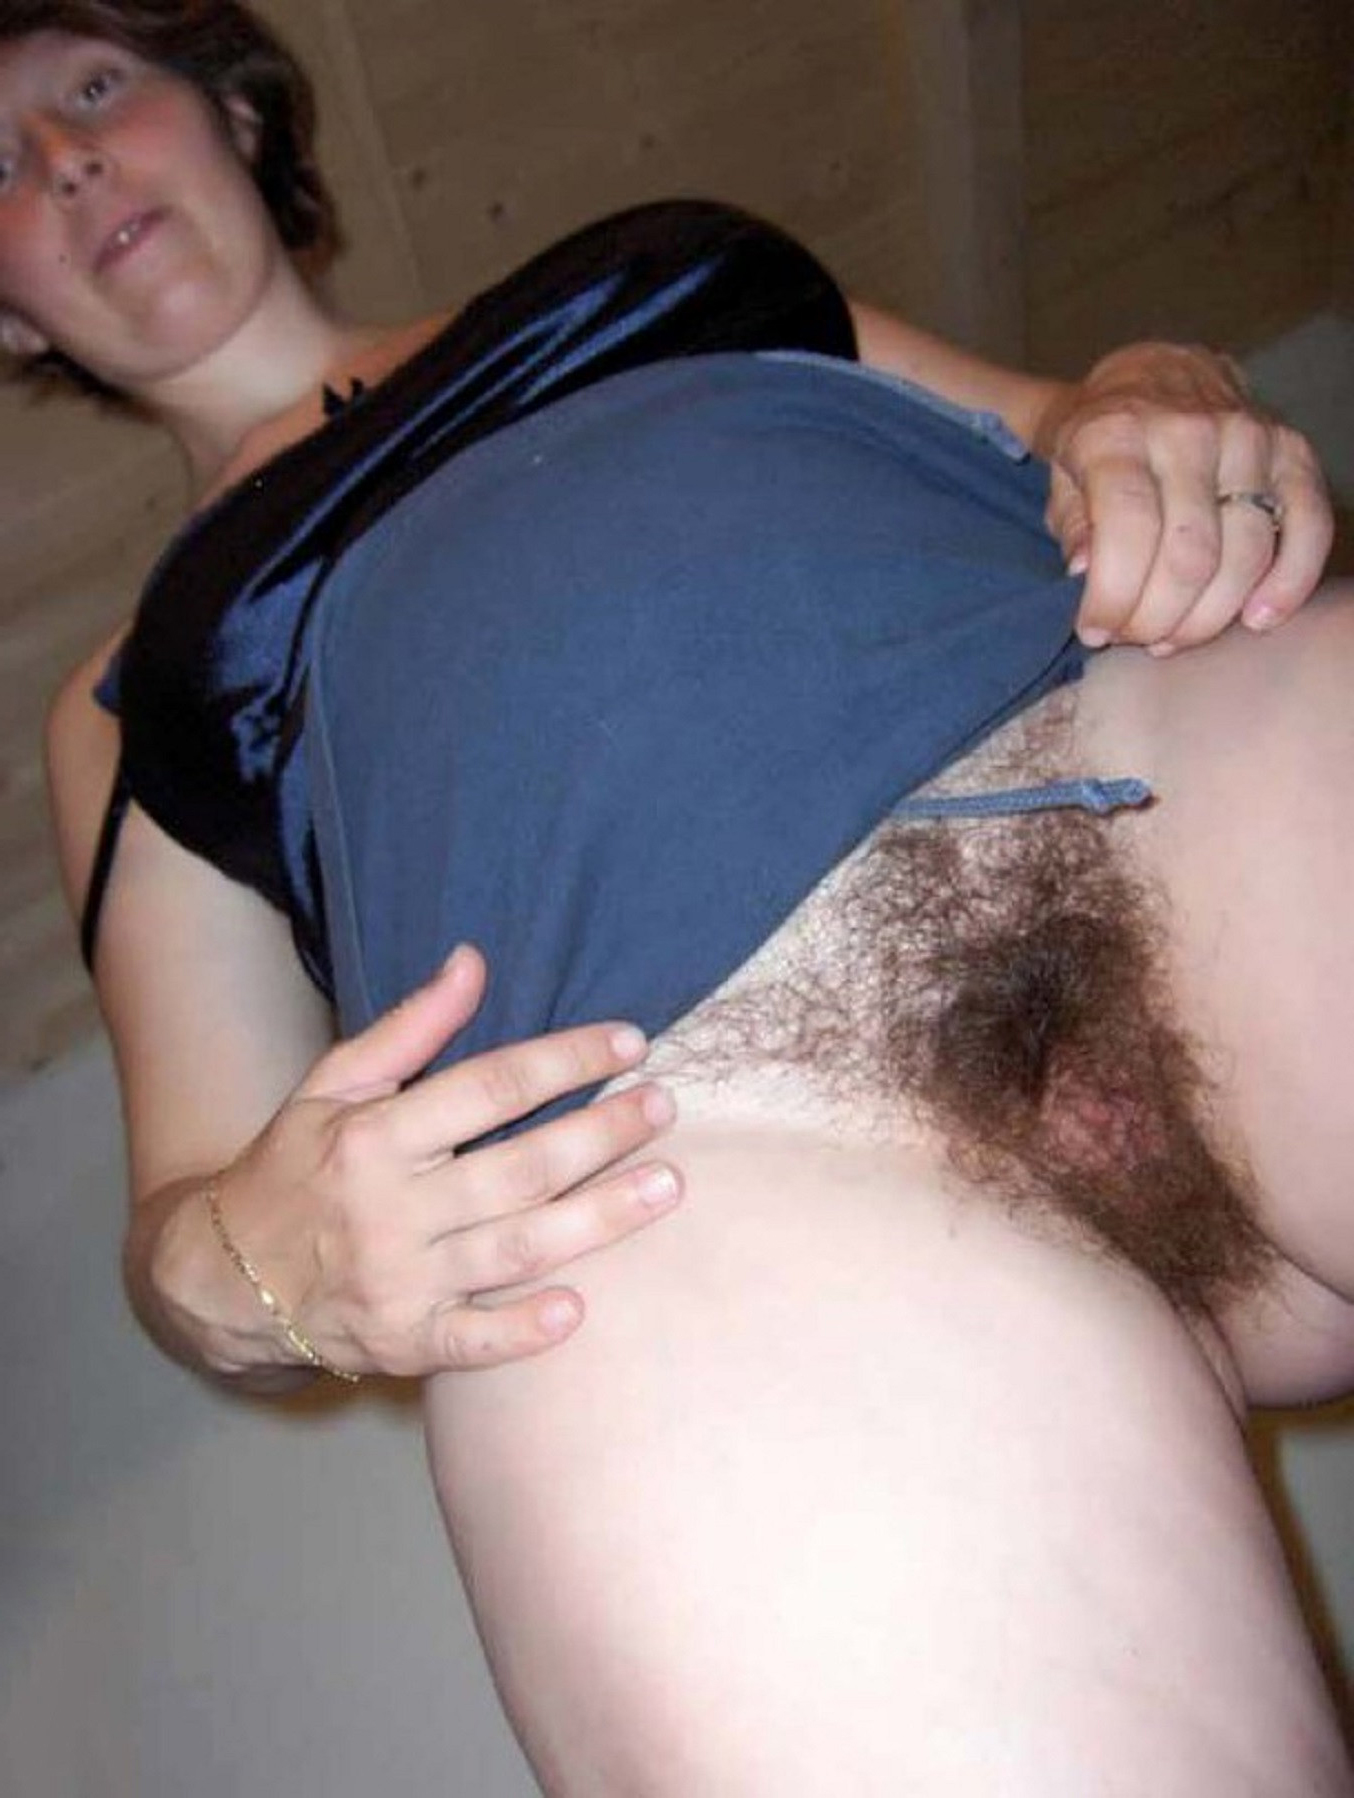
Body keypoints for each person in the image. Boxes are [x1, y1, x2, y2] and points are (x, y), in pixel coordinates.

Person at [10, 4, 1351, 1787]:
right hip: (675, 1184)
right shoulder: (117, 699)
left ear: (232, 115)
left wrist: (1158, 395)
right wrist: (246, 1272)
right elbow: (191, 1202)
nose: (64, 162)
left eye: (96, 89)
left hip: (1152, 764)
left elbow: (1071, 418)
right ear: (11, 312)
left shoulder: (658, 263)